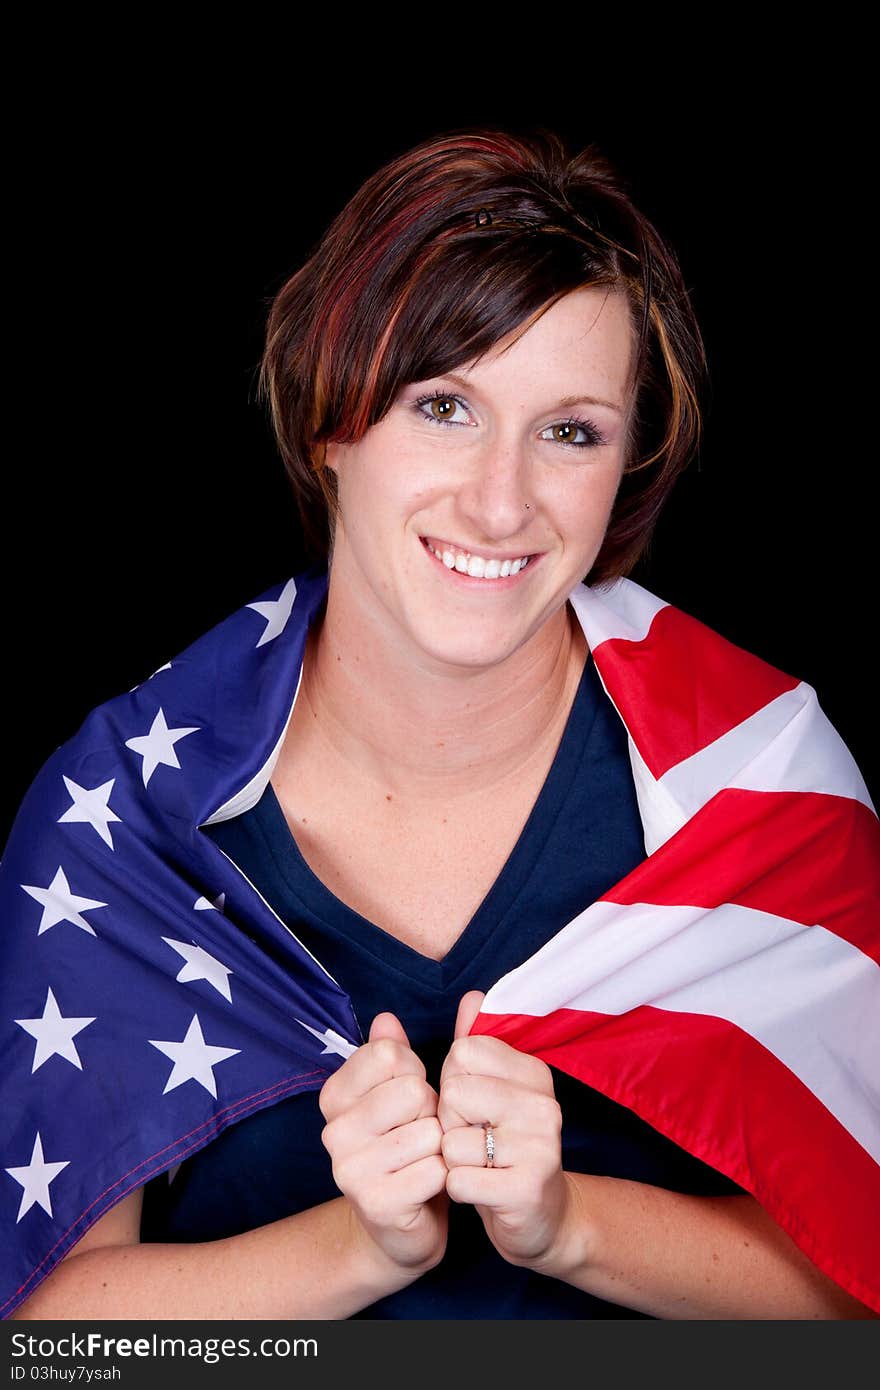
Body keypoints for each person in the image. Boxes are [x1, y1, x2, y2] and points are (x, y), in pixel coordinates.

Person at [3, 126, 877, 1321]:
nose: (502, 498)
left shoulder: (759, 787)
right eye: (444, 406)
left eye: (570, 430)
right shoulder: (122, 823)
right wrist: (359, 1248)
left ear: (627, 466)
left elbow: (854, 1293)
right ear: (330, 421)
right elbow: (53, 1342)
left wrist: (566, 1224)